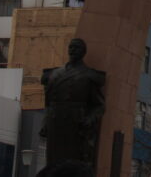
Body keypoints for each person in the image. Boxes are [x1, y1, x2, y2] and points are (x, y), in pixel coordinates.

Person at [40, 38, 106, 168]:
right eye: (70, 47)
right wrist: (45, 122)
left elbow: (99, 105)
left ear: (83, 52)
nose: (72, 50)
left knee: (72, 162)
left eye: (76, 47)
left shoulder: (88, 76)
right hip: (55, 122)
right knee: (53, 162)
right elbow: (48, 103)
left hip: (75, 124)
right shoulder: (54, 74)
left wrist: (89, 120)